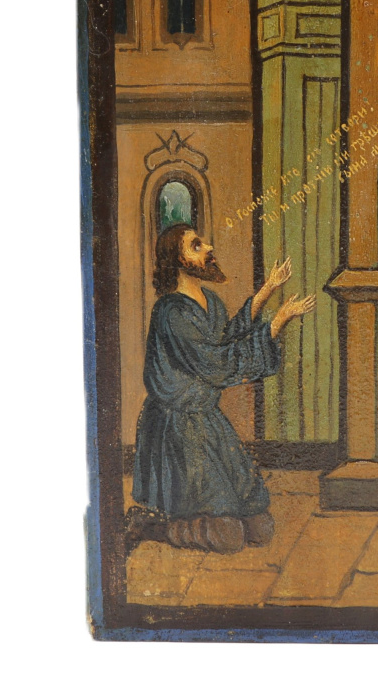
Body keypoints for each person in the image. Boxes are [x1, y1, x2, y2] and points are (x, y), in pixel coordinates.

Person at [125, 224, 315, 555]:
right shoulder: (171, 312)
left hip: (207, 419)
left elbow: (227, 338)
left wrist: (268, 289)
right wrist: (277, 322)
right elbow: (215, 364)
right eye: (196, 246)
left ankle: (193, 521)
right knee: (227, 536)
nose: (209, 247)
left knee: (261, 528)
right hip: (178, 427)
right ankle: (151, 527)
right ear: (178, 260)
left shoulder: (210, 301)